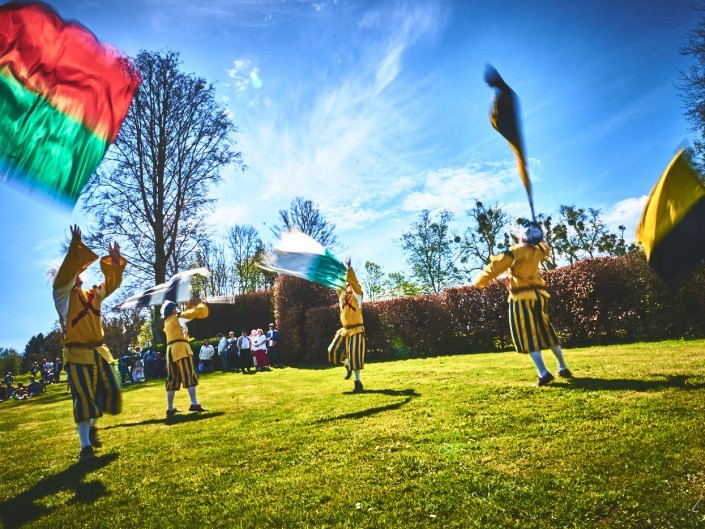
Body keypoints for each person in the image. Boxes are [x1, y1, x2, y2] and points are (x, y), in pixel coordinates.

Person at [52, 224, 125, 461]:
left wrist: (113, 265)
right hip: (77, 356)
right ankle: (85, 446)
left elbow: (110, 285)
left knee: (112, 394)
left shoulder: (92, 294)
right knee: (83, 399)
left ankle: (92, 428)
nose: (79, 275)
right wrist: (75, 248)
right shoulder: (61, 296)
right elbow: (65, 276)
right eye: (75, 271)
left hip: (100, 353)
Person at [474, 220, 572, 386]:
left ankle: (543, 372)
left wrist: (479, 282)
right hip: (539, 296)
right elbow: (545, 248)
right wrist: (539, 237)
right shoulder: (538, 251)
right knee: (546, 330)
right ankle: (562, 367)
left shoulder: (514, 252)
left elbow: (494, 267)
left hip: (521, 297)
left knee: (527, 335)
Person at [162, 297, 209, 418]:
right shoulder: (178, 318)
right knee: (189, 375)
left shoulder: (167, 321)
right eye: (175, 308)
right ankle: (194, 403)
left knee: (172, 379)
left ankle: (170, 408)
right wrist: (200, 303)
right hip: (181, 349)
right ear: (173, 310)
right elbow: (193, 313)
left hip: (170, 351)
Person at [328, 262, 367, 393]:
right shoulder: (342, 294)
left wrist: (349, 269)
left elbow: (354, 283)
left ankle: (358, 383)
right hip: (345, 329)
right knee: (332, 351)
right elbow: (338, 285)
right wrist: (340, 271)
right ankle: (346, 364)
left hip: (357, 329)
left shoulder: (358, 295)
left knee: (355, 357)